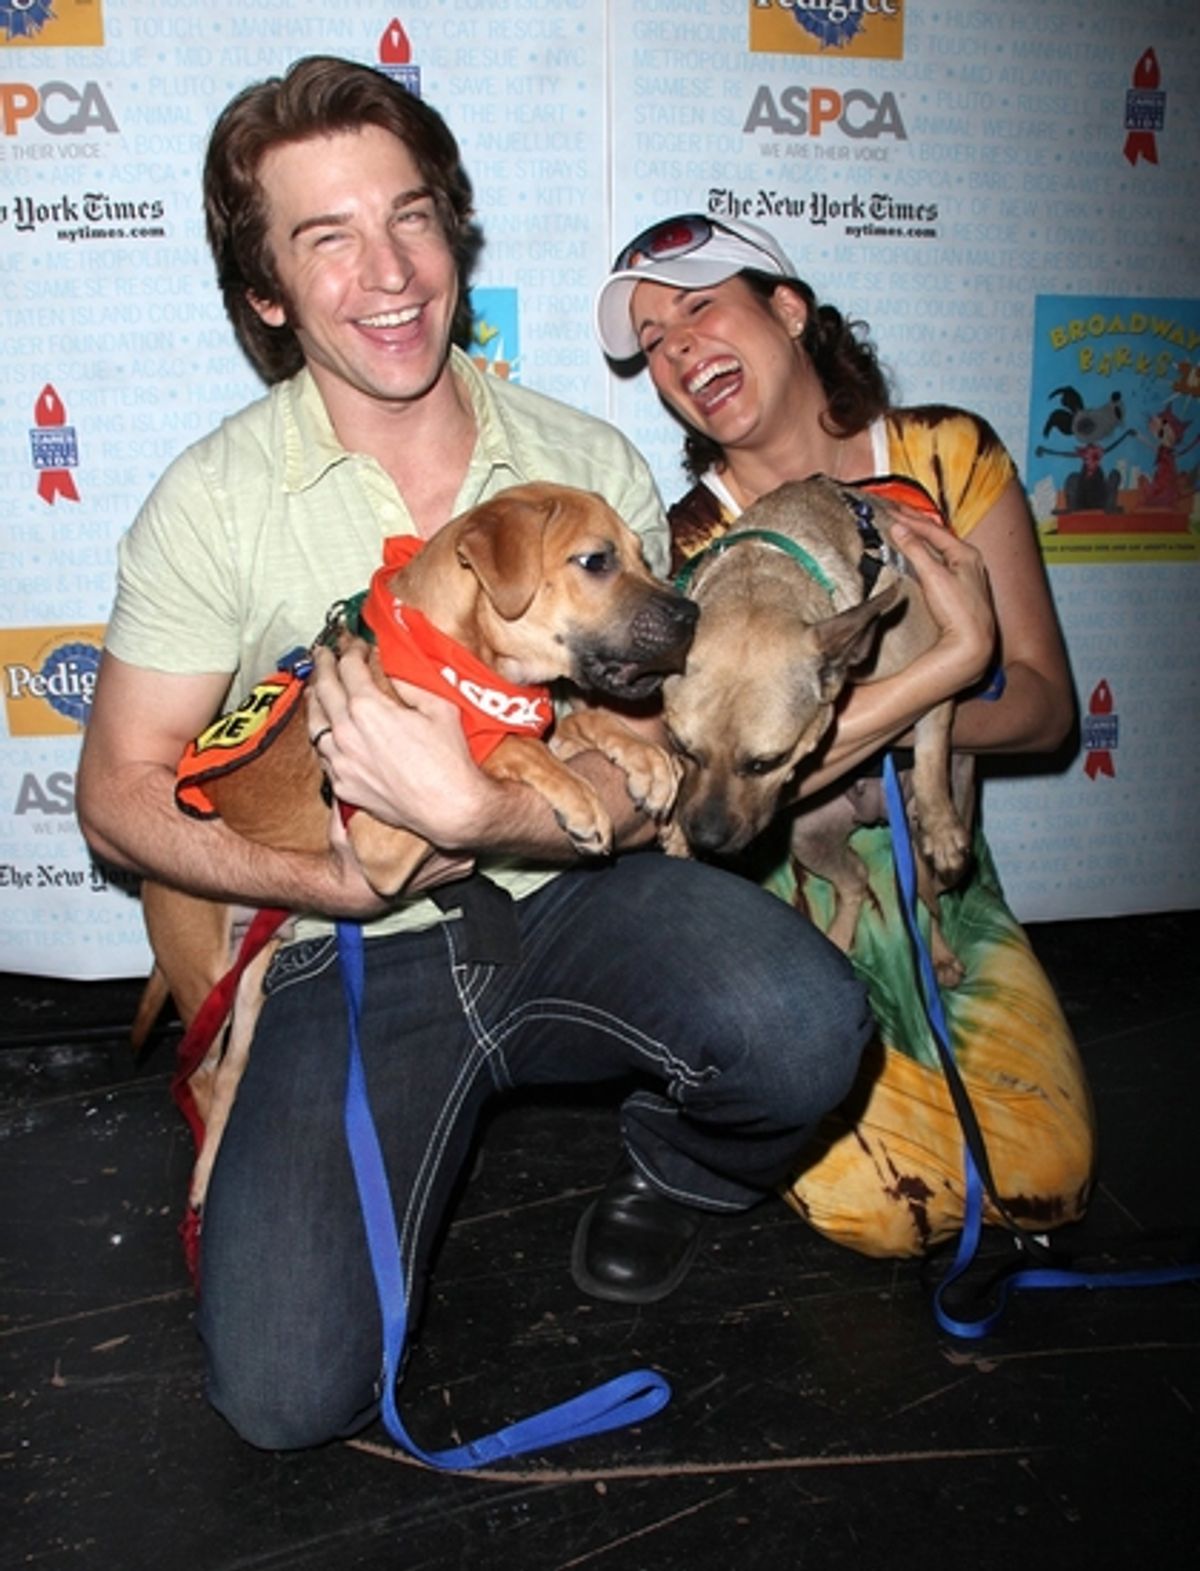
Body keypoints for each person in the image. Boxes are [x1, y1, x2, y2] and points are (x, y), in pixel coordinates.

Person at [74, 61, 893, 1453]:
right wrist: (331, 883)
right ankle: (266, 1133)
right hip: (344, 951)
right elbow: (117, 795)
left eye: (411, 217)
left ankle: (675, 1172)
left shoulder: (583, 465)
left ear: (452, 231)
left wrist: (486, 810)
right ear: (266, 293)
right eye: (327, 237)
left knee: (808, 1025)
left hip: (568, 897)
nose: (391, 271)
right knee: (282, 1394)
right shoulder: (211, 501)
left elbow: (653, 767)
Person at [594, 213, 1096, 1258]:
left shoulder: (946, 457)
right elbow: (680, 778)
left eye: (700, 308)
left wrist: (932, 707)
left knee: (1047, 1173)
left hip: (937, 863)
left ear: (788, 309)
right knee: (880, 1203)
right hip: (777, 881)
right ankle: (704, 1106)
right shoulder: (687, 546)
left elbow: (1048, 708)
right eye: (652, 341)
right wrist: (942, 669)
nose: (679, 349)